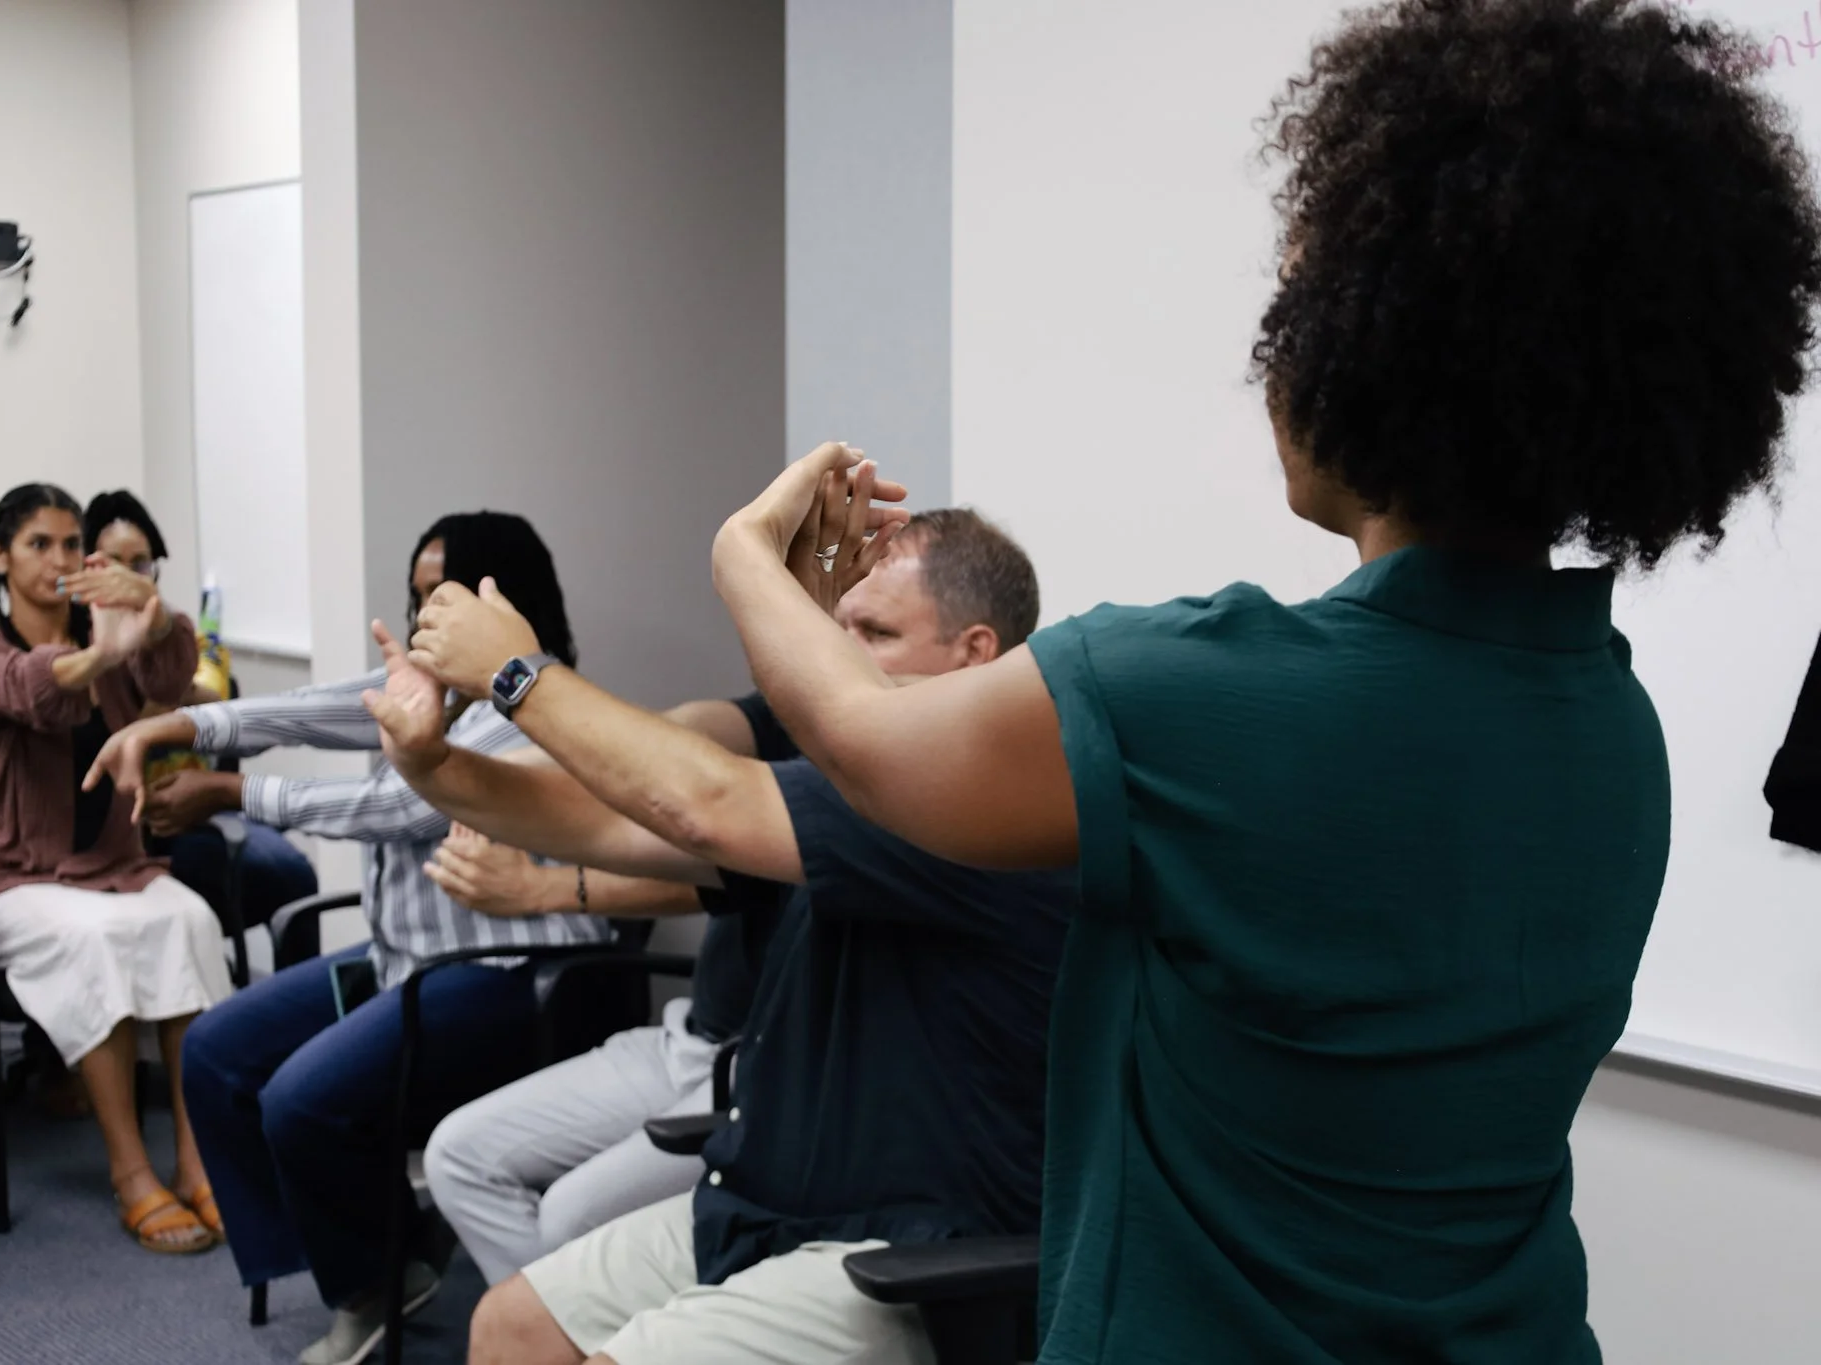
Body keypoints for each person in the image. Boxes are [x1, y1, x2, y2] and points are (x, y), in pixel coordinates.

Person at [701, 3, 1821, 1361]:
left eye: (1299, 308)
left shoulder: (1205, 700)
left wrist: (748, 550)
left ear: (1383, 343)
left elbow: (874, 742)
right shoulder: (1611, 722)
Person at [368, 507, 1068, 1365]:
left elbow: (700, 800)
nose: (840, 656)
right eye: (837, 627)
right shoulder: (848, 782)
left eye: (875, 632)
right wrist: (430, 764)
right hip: (768, 1202)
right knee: (510, 1327)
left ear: (975, 654)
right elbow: (598, 816)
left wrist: (521, 673)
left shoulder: (977, 794)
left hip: (906, 1248)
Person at [86, 512, 670, 1365]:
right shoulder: (430, 683)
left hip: (516, 971)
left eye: (443, 594)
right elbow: (318, 710)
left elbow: (402, 809)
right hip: (406, 961)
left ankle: (375, 1277)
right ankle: (380, 1253)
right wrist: (182, 727)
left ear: (502, 599)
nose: (424, 613)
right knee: (215, 1051)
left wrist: (227, 792)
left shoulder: (536, 708)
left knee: (300, 1100)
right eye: (416, 593)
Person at [420, 689, 797, 1287]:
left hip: (769, 1076)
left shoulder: (894, 787)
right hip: (691, 1040)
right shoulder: (787, 720)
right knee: (458, 1155)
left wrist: (534, 885)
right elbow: (674, 742)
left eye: (879, 629)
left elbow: (698, 839)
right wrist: (435, 762)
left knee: (570, 1218)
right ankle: (565, 1335)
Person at [0, 483, 232, 1255]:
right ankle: (133, 1172)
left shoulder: (107, 644)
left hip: (110, 868)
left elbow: (171, 684)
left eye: (72, 544)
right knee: (96, 942)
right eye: (39, 543)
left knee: (191, 919)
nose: (61, 559)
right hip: (4, 881)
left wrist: (154, 614)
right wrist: (105, 649)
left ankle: (199, 1159)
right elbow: (36, 691)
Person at [80, 490, 318, 930]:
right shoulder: (82, 650)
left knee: (294, 873)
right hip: (124, 829)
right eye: (115, 563)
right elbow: (103, 753)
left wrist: (184, 697)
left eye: (142, 565)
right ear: (88, 567)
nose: (131, 578)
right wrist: (167, 707)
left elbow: (218, 708)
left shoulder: (167, 635)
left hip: (192, 807)